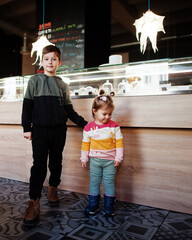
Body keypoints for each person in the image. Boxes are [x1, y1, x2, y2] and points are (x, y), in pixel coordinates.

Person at [22, 45, 87, 226]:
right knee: (39, 165)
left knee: (56, 162)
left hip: (59, 130)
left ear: (59, 62)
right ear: (41, 62)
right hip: (40, 131)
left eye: (54, 59)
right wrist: (26, 127)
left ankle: (53, 189)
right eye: (46, 59)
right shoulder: (34, 81)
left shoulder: (62, 84)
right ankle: (33, 201)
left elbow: (69, 110)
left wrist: (84, 124)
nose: (50, 62)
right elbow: (27, 106)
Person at [80, 89, 124, 216]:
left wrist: (118, 158)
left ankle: (109, 206)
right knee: (94, 181)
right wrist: (84, 158)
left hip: (110, 161)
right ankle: (93, 204)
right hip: (94, 160)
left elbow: (119, 143)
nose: (107, 117)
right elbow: (85, 144)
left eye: (110, 114)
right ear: (95, 111)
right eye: (104, 114)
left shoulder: (114, 126)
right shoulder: (88, 127)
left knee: (109, 182)